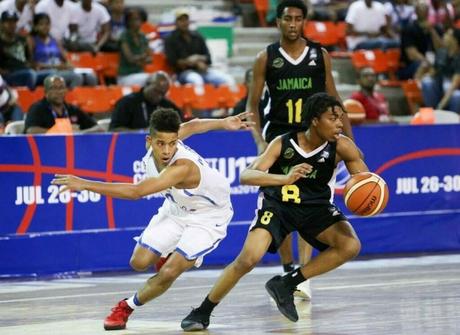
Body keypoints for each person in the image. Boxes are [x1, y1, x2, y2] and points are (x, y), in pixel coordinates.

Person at [51, 108, 254, 331]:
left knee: (168, 272)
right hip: (176, 208)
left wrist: (84, 183)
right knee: (138, 262)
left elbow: (136, 192)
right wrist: (223, 123)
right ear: (150, 140)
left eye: (173, 143)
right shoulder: (159, 142)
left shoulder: (182, 168)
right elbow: (194, 125)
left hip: (207, 218)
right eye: (161, 143)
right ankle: (169, 252)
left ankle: (126, 307)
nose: (167, 150)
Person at [181, 93, 364, 331]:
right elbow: (246, 176)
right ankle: (203, 310)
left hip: (316, 208)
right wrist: (284, 178)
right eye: (333, 118)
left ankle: (288, 283)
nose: (340, 124)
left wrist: (368, 196)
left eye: (341, 118)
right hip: (278, 206)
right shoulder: (283, 142)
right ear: (315, 120)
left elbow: (365, 181)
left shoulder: (342, 146)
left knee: (350, 245)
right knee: (248, 259)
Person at [246, 0, 354, 299]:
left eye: (297, 19)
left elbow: (335, 100)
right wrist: (259, 140)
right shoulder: (265, 58)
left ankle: (301, 274)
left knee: (311, 204)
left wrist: (349, 138)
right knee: (279, 204)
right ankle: (287, 265)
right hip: (279, 138)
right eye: (287, 19)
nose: (292, 24)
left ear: (304, 21)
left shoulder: (320, 55)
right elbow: (252, 104)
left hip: (316, 139)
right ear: (278, 22)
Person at [164, 8, 236, 91]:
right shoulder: (170, 39)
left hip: (203, 70)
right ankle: (199, 103)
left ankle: (231, 102)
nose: (184, 23)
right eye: (181, 20)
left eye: (186, 20)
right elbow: (172, 61)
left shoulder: (197, 36)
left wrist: (198, 58)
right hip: (184, 73)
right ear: (176, 22)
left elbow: (208, 57)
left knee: (228, 79)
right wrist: (192, 62)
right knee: (197, 81)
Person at [24, 75, 103, 134]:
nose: (59, 92)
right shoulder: (37, 108)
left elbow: (98, 128)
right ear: (46, 92)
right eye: (54, 88)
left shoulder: (73, 109)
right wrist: (61, 131)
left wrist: (80, 133)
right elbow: (31, 131)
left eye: (61, 88)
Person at [109, 71, 183, 132]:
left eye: (162, 93)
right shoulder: (127, 103)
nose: (159, 96)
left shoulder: (168, 106)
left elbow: (181, 128)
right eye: (156, 91)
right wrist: (142, 132)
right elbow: (114, 130)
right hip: (131, 144)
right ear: (147, 84)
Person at [421, 27, 460, 112]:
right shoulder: (441, 53)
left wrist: (440, 106)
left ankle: (452, 120)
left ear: (455, 40)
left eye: (448, 35)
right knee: (427, 81)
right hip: (439, 89)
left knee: (457, 95)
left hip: (452, 92)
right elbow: (433, 73)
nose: (444, 36)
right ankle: (430, 112)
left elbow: (454, 85)